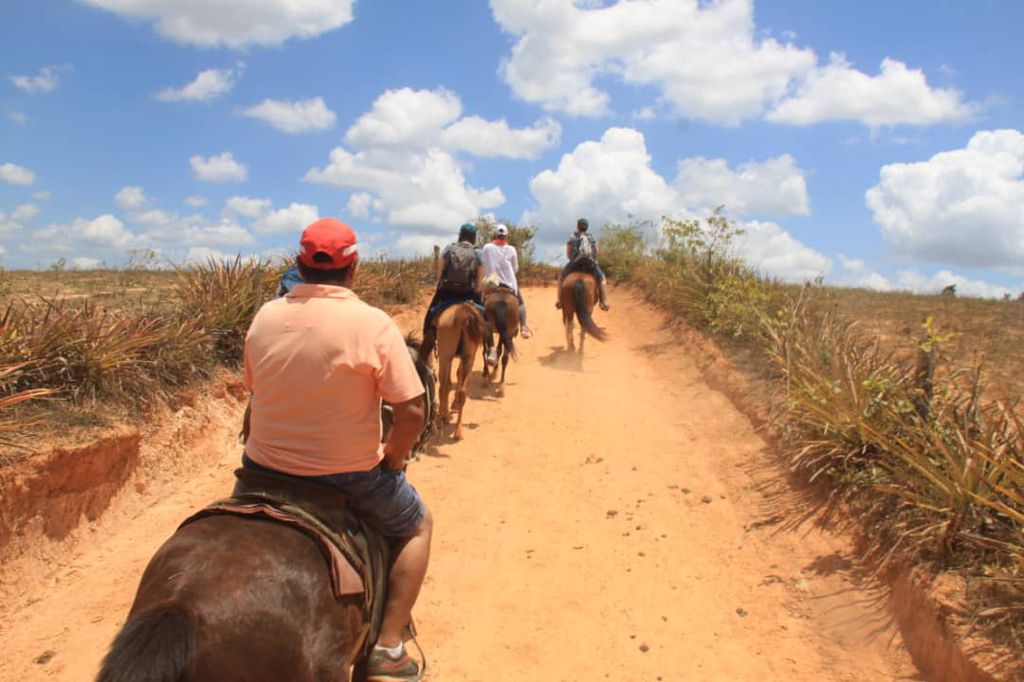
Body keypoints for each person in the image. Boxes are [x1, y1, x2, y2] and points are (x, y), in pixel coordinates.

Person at [243, 217, 431, 682]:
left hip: (260, 469)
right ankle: (387, 646)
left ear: (301, 265)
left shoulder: (266, 316)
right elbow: (411, 410)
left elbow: (255, 392)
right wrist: (394, 459)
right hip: (347, 475)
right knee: (418, 524)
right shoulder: (373, 323)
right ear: (354, 267)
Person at [419, 222, 484, 361]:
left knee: (429, 318)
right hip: (468, 294)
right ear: (474, 237)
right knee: (485, 318)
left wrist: (438, 285)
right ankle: (489, 346)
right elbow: (480, 277)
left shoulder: (449, 248)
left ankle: (426, 349)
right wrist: (477, 293)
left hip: (447, 292)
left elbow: (440, 270)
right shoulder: (478, 252)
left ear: (460, 235)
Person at [480, 223, 533, 342]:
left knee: (479, 303)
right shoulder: (512, 249)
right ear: (506, 236)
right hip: (509, 284)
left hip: (491, 284)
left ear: (495, 234)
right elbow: (515, 269)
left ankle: (477, 326)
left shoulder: (487, 247)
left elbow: (482, 264)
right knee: (521, 303)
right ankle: (523, 327)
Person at [556, 217, 610, 310]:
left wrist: (573, 260)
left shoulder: (572, 237)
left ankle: (560, 301)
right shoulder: (591, 237)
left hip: (575, 264)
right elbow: (596, 251)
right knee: (602, 279)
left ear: (577, 226)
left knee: (560, 278)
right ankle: (603, 302)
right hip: (590, 264)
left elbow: (568, 254)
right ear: (587, 227)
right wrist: (593, 259)